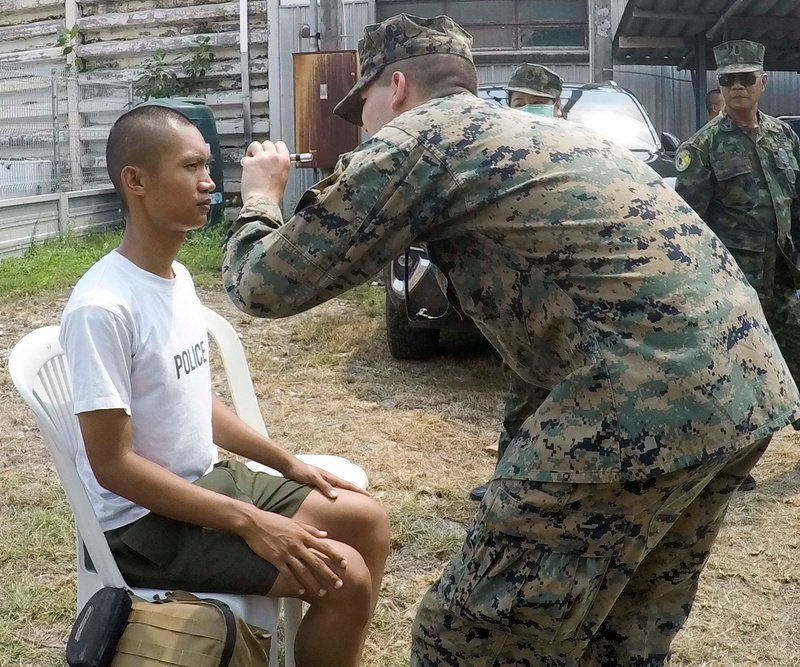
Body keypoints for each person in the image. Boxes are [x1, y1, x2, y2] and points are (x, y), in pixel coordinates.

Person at [222, 14, 800, 666]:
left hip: (645, 398)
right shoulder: (544, 133)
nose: (365, 124)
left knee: (468, 635)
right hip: (748, 386)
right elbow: (553, 328)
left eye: (366, 106)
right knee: (620, 631)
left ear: (400, 86)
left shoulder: (420, 138)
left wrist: (259, 199)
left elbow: (265, 284)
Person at [59, 104, 390, 667]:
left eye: (209, 166)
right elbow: (112, 466)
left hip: (208, 483)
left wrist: (287, 462)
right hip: (144, 526)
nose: (210, 183)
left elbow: (192, 398)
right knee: (346, 578)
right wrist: (253, 522)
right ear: (134, 181)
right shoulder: (102, 307)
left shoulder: (175, 277)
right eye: (191, 167)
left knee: (368, 519)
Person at [676, 39, 800, 493]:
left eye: (746, 78)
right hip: (734, 286)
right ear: (720, 87)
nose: (737, 87)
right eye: (727, 80)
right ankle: (730, 464)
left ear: (763, 83)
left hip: (783, 277)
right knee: (735, 374)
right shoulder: (701, 148)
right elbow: (688, 224)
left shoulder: (783, 137)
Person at [468, 61, 562, 503]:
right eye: (517, 102)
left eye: (536, 104)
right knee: (525, 390)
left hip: (574, 295)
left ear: (557, 107)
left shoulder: (577, 149)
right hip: (523, 297)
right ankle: (506, 481)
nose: (525, 110)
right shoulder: (498, 151)